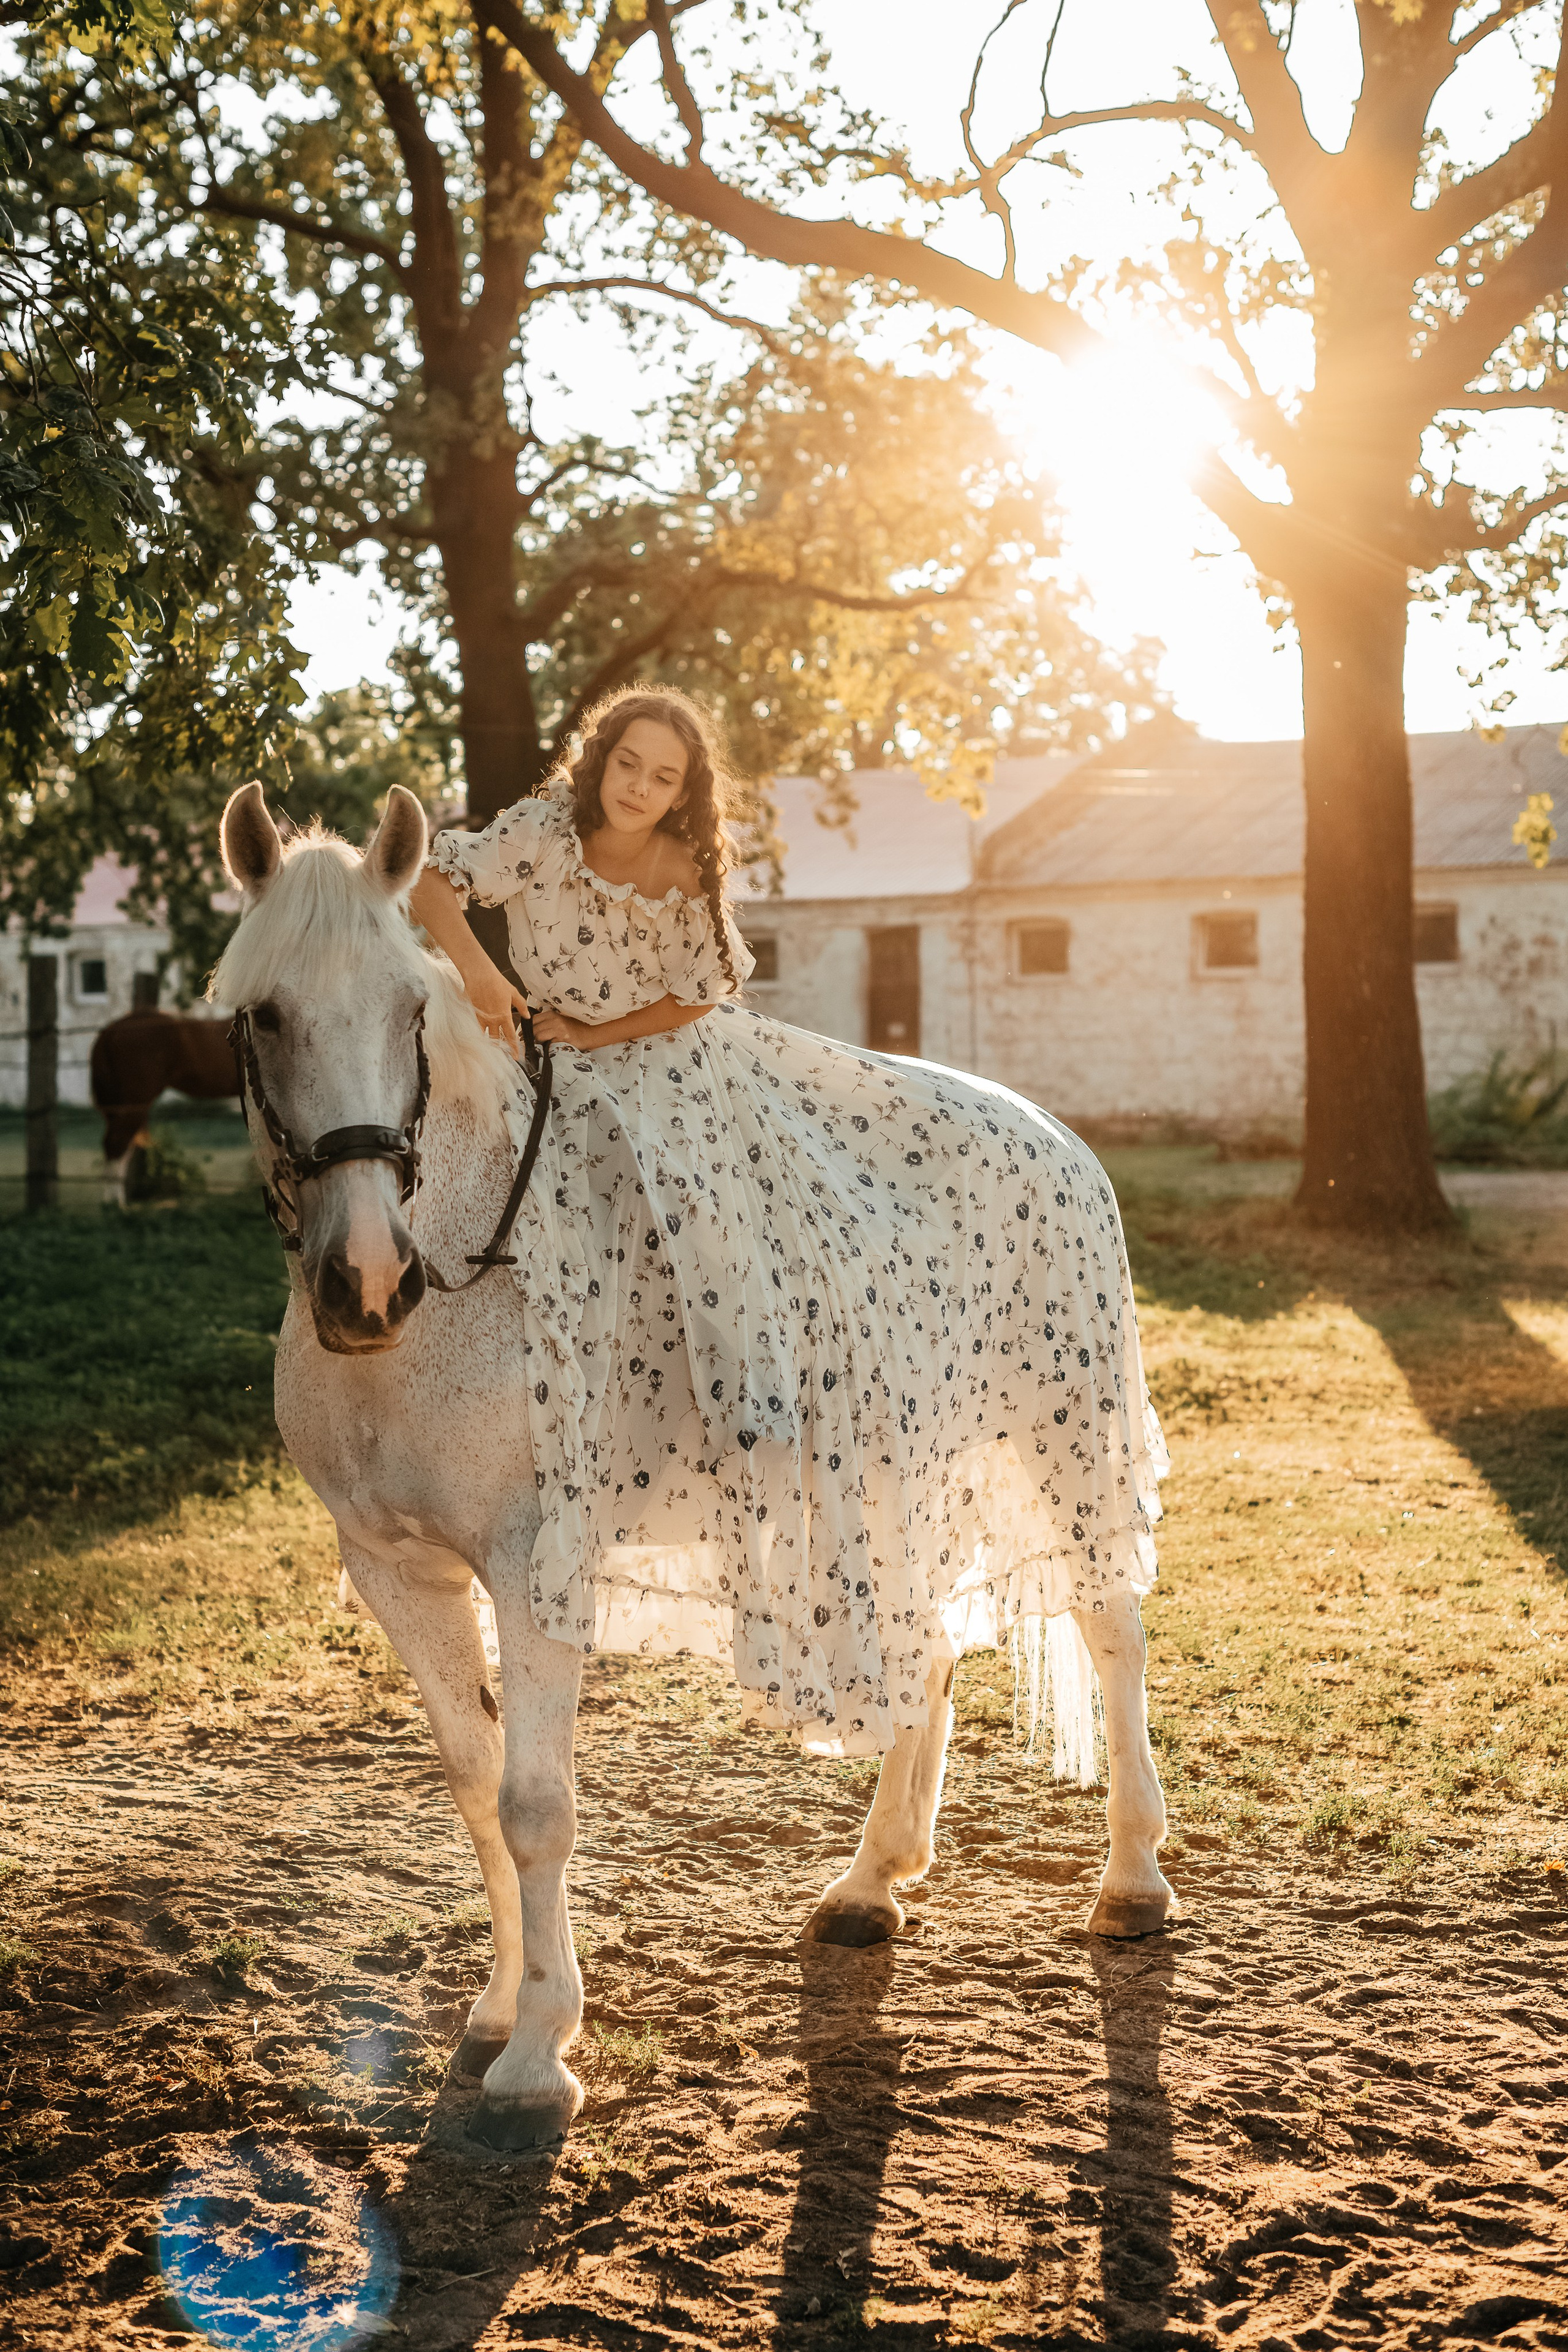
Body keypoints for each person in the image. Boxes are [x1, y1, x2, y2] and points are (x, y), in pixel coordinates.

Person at [410, 685, 1164, 1756]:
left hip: (671, 1069)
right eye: (627, 763)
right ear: (599, 758)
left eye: (663, 777)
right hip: (551, 1067)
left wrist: (596, 1028)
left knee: (725, 1230)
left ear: (684, 792)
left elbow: (701, 997)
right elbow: (434, 883)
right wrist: (484, 975)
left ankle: (760, 1404)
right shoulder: (541, 831)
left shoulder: (679, 864)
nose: (639, 787)